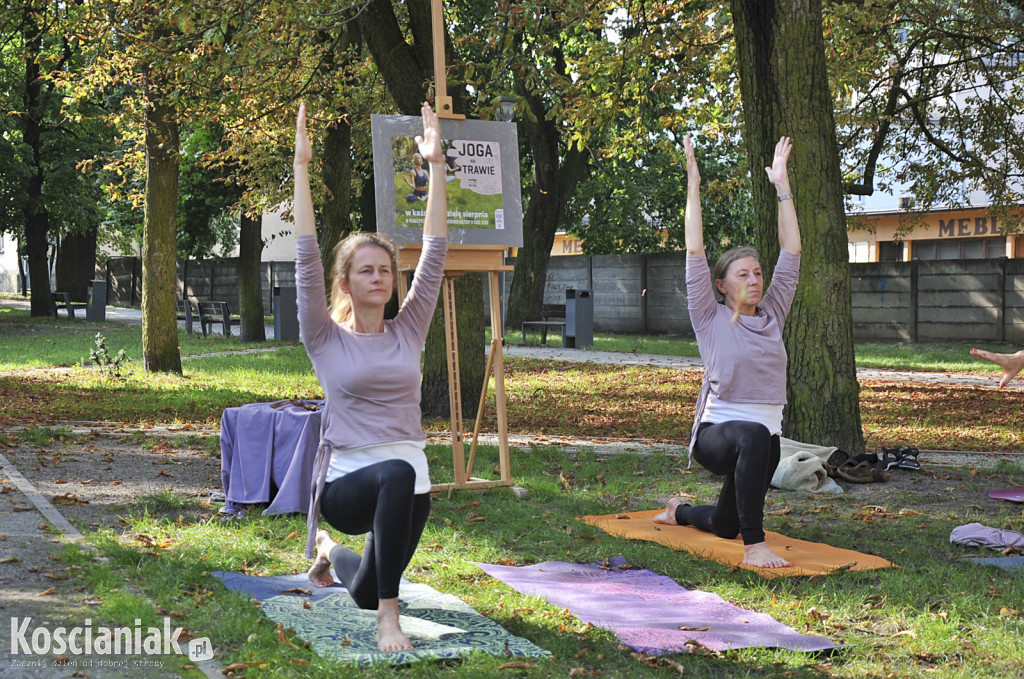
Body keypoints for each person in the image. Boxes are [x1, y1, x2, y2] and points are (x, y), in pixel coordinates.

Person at [293, 101, 448, 652]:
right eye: (367, 269)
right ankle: (389, 619)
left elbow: (434, 254)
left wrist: (435, 169)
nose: (379, 276)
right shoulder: (325, 336)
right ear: (345, 282)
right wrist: (303, 168)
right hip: (347, 482)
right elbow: (306, 256)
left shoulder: (408, 330)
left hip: (410, 479)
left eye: (385, 269)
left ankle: (328, 554)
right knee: (394, 475)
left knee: (360, 588)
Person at [653, 135, 801, 569]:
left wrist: (782, 186)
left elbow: (791, 250)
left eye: (758, 273)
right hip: (717, 437)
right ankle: (755, 547)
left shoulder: (772, 314)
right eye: (743, 274)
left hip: (761, 440)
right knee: (755, 435)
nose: (754, 280)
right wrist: (693, 185)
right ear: (722, 284)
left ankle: (677, 511)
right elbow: (694, 248)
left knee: (723, 524)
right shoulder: (709, 314)